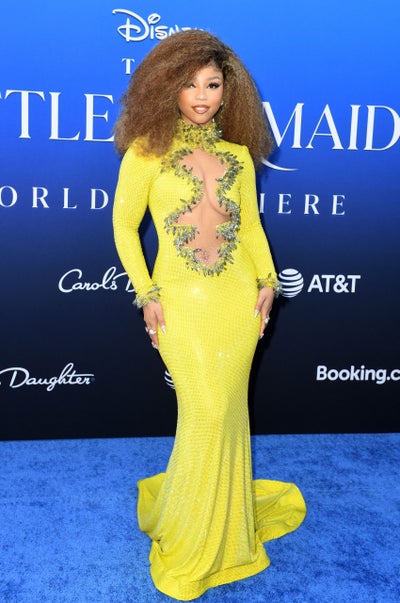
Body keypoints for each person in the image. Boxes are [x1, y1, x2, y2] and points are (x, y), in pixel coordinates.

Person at [113, 29, 306, 601]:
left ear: (229, 90)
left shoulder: (239, 156)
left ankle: (224, 526)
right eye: (190, 84)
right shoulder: (146, 151)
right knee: (205, 410)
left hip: (236, 300)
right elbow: (124, 225)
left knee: (228, 412)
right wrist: (146, 293)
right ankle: (191, 533)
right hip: (178, 301)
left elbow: (249, 229)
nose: (202, 96)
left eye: (213, 84)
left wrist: (268, 281)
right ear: (167, 88)